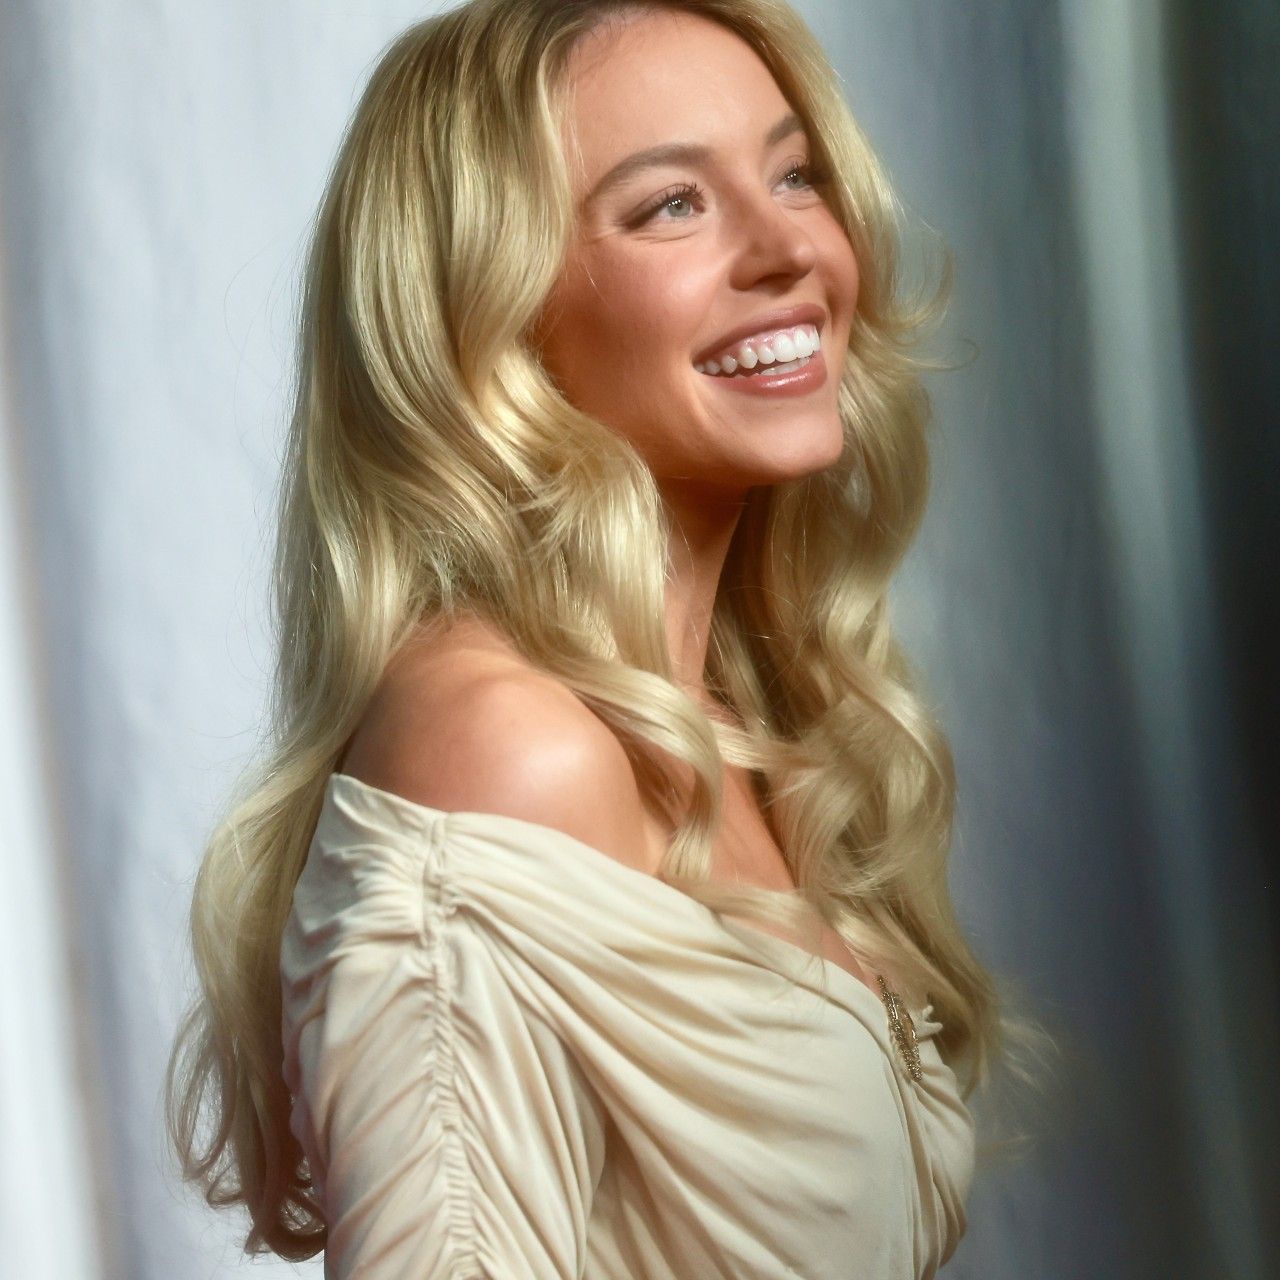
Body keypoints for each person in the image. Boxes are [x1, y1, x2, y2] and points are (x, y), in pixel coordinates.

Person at [167, 1, 1049, 1275]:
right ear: (493, 317)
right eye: (669, 206)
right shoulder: (502, 747)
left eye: (792, 173)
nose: (784, 246)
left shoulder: (755, 733)